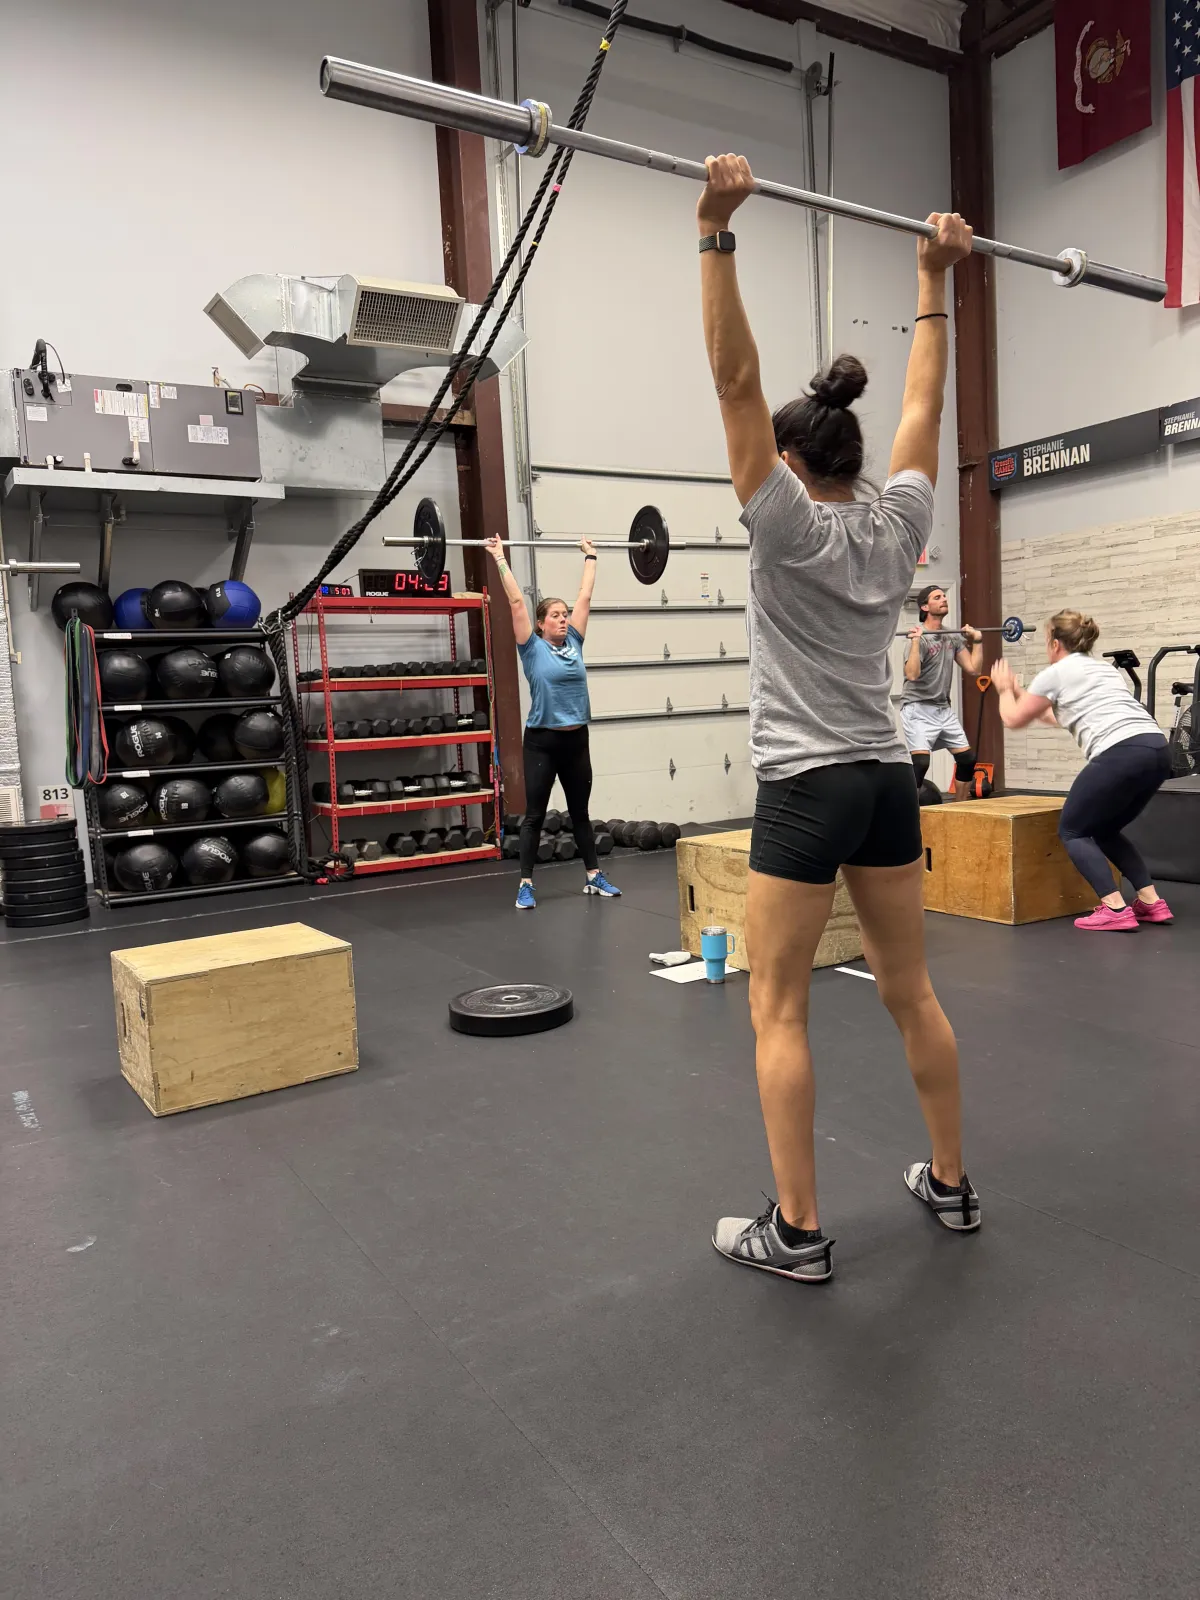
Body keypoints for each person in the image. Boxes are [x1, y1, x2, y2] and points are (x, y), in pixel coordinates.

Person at [696, 153, 980, 1287]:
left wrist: (716, 230)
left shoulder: (783, 526)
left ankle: (799, 1231)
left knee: (777, 1007)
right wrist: (933, 276)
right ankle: (950, 1183)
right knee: (913, 990)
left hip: (806, 787)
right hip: (884, 779)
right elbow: (924, 404)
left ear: (787, 460)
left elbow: (734, 382)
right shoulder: (898, 523)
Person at [991, 610, 1172, 931]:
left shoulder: (1055, 672)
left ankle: (1114, 909)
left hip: (1121, 753)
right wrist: (1021, 694)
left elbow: (1013, 719)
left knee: (1072, 830)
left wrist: (1004, 689)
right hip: (1156, 749)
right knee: (1105, 829)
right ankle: (1151, 902)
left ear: (1055, 643)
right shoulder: (1102, 669)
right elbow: (1057, 717)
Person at [484, 533, 621, 910]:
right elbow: (516, 601)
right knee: (534, 816)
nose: (563, 619)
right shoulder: (531, 648)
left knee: (580, 813)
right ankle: (525, 884)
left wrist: (591, 557)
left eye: (565, 614)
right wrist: (499, 557)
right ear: (541, 624)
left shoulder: (574, 642)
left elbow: (585, 597)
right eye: (556, 616)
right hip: (542, 743)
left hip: (576, 742)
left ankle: (593, 876)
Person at [901, 584, 983, 799]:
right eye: (937, 597)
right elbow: (912, 675)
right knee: (920, 764)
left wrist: (977, 641)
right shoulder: (920, 638)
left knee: (967, 760)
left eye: (944, 596)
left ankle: (959, 809)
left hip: (942, 709)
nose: (944, 599)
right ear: (925, 607)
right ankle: (907, 812)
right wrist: (916, 642)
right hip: (917, 708)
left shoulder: (952, 636)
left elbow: (973, 669)